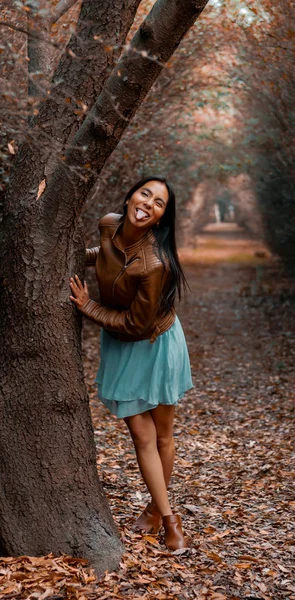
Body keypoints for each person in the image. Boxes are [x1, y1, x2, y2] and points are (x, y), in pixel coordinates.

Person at [69, 176, 193, 550]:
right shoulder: (109, 224)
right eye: (145, 194)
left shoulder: (154, 263)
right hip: (121, 344)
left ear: (159, 219)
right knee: (142, 436)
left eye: (159, 204)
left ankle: (163, 517)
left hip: (154, 341)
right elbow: (106, 252)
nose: (148, 204)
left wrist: (89, 306)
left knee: (162, 434)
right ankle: (165, 515)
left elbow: (138, 324)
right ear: (128, 198)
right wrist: (78, 257)